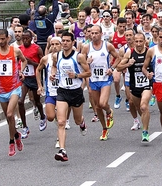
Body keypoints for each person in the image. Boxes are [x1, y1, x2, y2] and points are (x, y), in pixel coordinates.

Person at [0, 29, 27, 157]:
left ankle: (11, 142)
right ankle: (17, 135)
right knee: (9, 119)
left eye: (3, 39)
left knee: (9, 114)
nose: (1, 41)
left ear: (8, 38)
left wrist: (21, 71)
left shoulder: (15, 51)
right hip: (1, 89)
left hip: (14, 87)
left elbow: (24, 60)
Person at [50, 31, 91, 161]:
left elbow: (88, 72)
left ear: (73, 42)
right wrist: (53, 73)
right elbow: (54, 67)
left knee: (77, 120)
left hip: (76, 91)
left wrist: (77, 76)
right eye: (64, 41)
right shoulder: (57, 56)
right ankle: (63, 150)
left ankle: (82, 122)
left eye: (68, 41)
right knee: (61, 121)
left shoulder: (78, 57)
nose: (65, 43)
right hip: (62, 91)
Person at [81, 25, 120, 141]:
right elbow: (81, 63)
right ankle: (104, 129)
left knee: (103, 103)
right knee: (97, 107)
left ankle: (109, 111)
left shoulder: (107, 46)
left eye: (96, 33)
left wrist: (111, 69)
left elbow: (118, 58)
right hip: (93, 79)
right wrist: (86, 62)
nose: (93, 35)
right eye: (92, 33)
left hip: (105, 79)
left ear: (101, 34)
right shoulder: (86, 48)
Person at [117, 32, 153, 142]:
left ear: (144, 42)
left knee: (143, 106)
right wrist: (128, 64)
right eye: (136, 41)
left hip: (147, 84)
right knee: (139, 109)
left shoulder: (149, 52)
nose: (138, 44)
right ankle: (144, 122)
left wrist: (152, 74)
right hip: (134, 85)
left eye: (140, 41)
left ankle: (145, 131)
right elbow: (118, 67)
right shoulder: (129, 52)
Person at [36, 36, 70, 149]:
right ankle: (60, 122)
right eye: (52, 44)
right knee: (50, 117)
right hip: (51, 92)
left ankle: (59, 138)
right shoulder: (46, 59)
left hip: (63, 92)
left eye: (57, 44)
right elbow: (38, 70)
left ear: (61, 45)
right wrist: (40, 85)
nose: (54, 47)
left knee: (61, 120)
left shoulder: (67, 58)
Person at [18, 30, 45, 139]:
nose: (25, 40)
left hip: (35, 78)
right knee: (20, 101)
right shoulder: (19, 50)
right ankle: (25, 127)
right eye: (23, 38)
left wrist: (31, 62)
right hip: (25, 79)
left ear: (31, 38)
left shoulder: (37, 49)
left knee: (37, 102)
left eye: (27, 38)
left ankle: (43, 116)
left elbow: (42, 64)